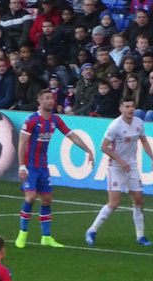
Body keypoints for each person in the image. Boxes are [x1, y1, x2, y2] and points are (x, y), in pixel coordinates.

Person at [16, 90, 95, 248]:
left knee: (46, 200)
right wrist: (21, 166)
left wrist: (88, 149)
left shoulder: (55, 120)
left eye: (51, 98)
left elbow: (71, 135)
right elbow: (22, 143)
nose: (50, 101)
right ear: (39, 101)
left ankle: (46, 237)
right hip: (30, 166)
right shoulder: (31, 120)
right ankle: (22, 233)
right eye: (46, 98)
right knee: (30, 198)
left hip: (43, 166)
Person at [85, 98, 153, 246]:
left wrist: (152, 158)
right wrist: (120, 161)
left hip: (131, 166)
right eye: (127, 106)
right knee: (114, 203)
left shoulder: (138, 123)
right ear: (121, 109)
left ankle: (140, 236)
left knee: (138, 200)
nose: (130, 109)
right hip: (116, 167)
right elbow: (104, 146)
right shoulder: (115, 126)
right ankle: (92, 230)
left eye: (132, 106)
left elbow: (144, 141)